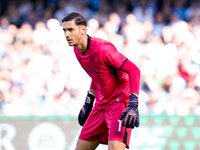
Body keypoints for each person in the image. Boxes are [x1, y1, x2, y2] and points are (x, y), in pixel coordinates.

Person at [62, 12, 141, 150]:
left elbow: (134, 70)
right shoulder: (77, 50)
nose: (67, 35)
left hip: (119, 104)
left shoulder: (103, 49)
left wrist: (133, 102)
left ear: (83, 30)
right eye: (64, 30)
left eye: (71, 30)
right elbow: (97, 75)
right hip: (100, 105)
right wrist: (89, 100)